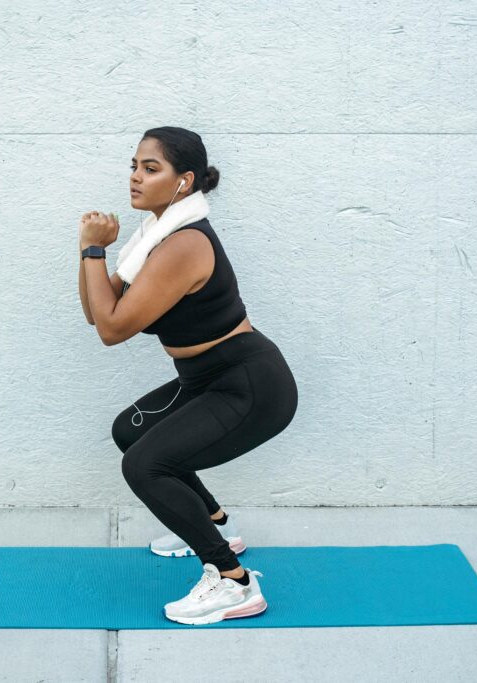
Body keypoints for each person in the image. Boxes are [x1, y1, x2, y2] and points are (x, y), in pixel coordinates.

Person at [77, 126, 299, 625]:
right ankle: (218, 525)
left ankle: (233, 582)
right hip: (207, 378)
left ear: (185, 181)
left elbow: (111, 329)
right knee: (130, 432)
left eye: (150, 168)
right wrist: (87, 251)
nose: (135, 177)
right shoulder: (153, 237)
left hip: (249, 385)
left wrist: (94, 251)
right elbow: (97, 311)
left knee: (144, 466)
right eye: (134, 166)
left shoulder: (184, 244)